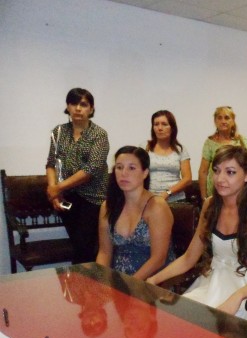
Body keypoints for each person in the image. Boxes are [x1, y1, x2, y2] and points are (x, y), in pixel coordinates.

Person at [147, 145, 247, 323]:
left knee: (216, 324)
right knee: (178, 320)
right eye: (216, 171)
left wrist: (238, 297)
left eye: (230, 172)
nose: (220, 179)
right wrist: (153, 280)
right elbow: (189, 258)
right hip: (212, 282)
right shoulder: (210, 205)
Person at [46, 87, 109, 264]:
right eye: (73, 103)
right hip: (66, 199)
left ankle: (82, 280)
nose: (78, 108)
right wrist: (54, 192)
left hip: (93, 199)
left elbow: (91, 169)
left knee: (84, 246)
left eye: (83, 104)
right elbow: (51, 164)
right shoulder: (58, 132)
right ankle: (84, 279)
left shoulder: (99, 135)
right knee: (79, 245)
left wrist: (57, 188)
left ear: (91, 109)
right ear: (68, 107)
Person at [96, 146, 175, 280]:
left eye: (131, 168)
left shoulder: (157, 206)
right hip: (118, 279)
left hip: (153, 280)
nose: (124, 173)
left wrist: (130, 284)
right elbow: (104, 253)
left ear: (145, 173)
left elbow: (158, 258)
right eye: (119, 167)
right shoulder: (107, 206)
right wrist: (101, 280)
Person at [198, 106, 247, 199]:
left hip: (238, 192)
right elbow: (203, 171)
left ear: (233, 121)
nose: (223, 121)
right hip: (215, 192)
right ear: (215, 121)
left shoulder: (242, 141)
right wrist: (204, 197)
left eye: (227, 118)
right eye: (219, 118)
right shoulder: (209, 143)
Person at [144, 110, 192, 203]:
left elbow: (187, 179)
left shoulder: (181, 149)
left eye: (164, 124)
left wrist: (168, 193)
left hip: (176, 200)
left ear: (172, 128)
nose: (159, 128)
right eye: (156, 124)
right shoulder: (145, 147)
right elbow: (136, 174)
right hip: (149, 200)